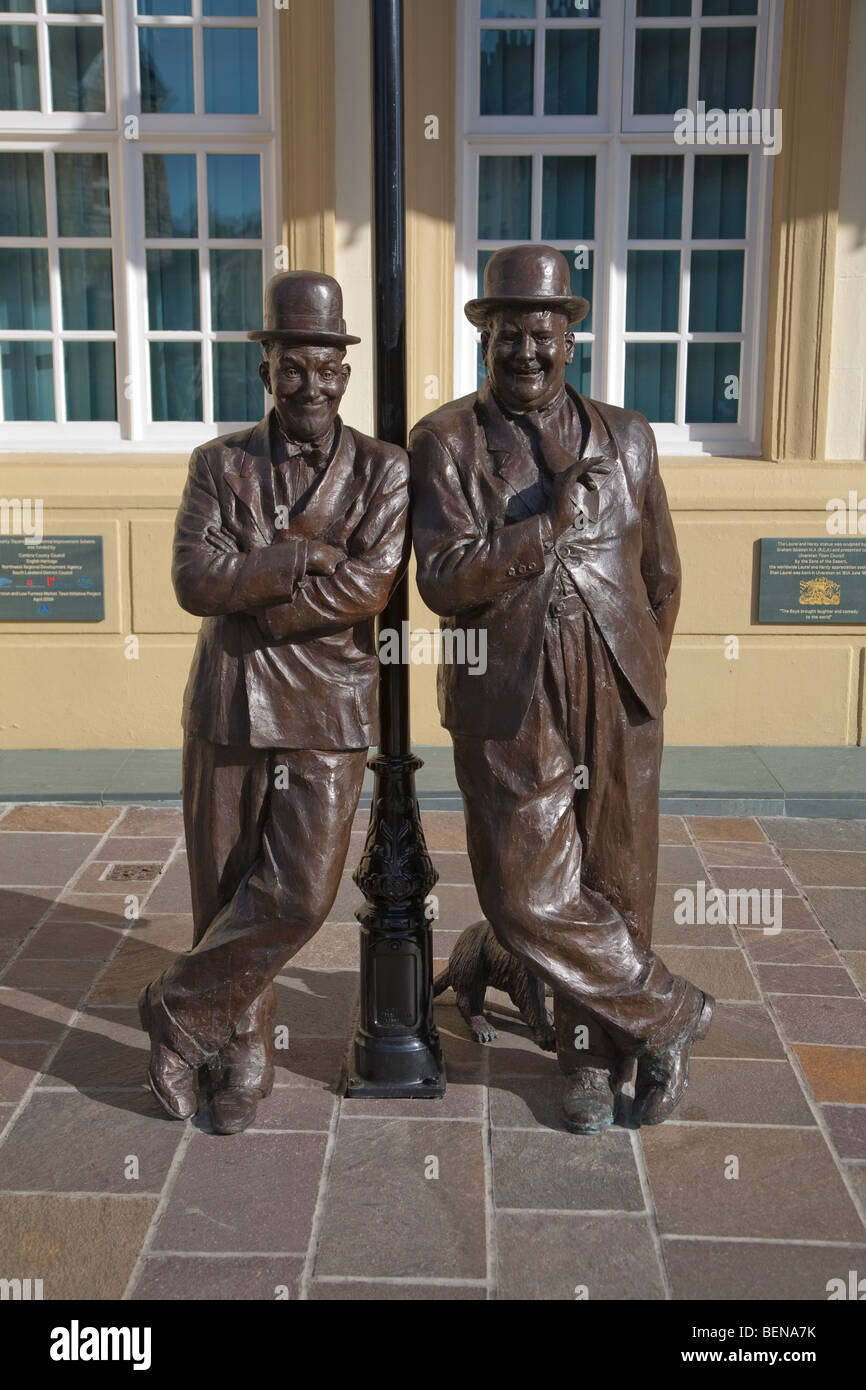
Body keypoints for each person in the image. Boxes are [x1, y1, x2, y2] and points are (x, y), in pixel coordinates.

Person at [409, 244, 714, 1134]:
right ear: (485, 338)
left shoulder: (628, 436)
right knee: (525, 891)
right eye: (508, 336)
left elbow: (660, 573)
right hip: (509, 693)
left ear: (570, 338)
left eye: (541, 335)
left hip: (617, 684)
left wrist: (638, 671)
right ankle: (670, 1014)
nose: (526, 353)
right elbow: (443, 579)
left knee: (618, 876)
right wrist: (547, 526)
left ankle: (590, 1053)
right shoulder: (446, 443)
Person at [139, 271, 409, 1135]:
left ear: (344, 369)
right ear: (267, 366)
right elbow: (192, 580)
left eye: (326, 365)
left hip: (327, 711)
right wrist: (300, 559)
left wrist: (251, 589)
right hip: (227, 704)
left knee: (297, 893)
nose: (311, 384)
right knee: (223, 891)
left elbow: (372, 585)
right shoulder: (218, 464)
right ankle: (238, 1053)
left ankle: (175, 1011)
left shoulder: (383, 471)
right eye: (293, 364)